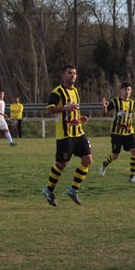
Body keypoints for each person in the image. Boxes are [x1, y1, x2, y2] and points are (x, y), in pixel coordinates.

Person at [41, 65, 92, 207]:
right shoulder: (57, 92)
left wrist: (80, 118)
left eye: (74, 73)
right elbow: (49, 109)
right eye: (70, 73)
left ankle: (73, 189)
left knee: (88, 160)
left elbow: (73, 111)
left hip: (78, 132)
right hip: (65, 135)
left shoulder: (75, 91)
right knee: (62, 164)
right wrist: (65, 108)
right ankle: (48, 190)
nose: (73, 76)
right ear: (63, 76)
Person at [99, 82, 135, 183]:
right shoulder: (115, 101)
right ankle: (105, 164)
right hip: (116, 133)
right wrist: (104, 107)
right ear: (121, 90)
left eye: (129, 90)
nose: (127, 92)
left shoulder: (133, 104)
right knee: (115, 156)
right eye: (125, 89)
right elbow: (105, 114)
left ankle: (132, 176)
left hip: (129, 132)